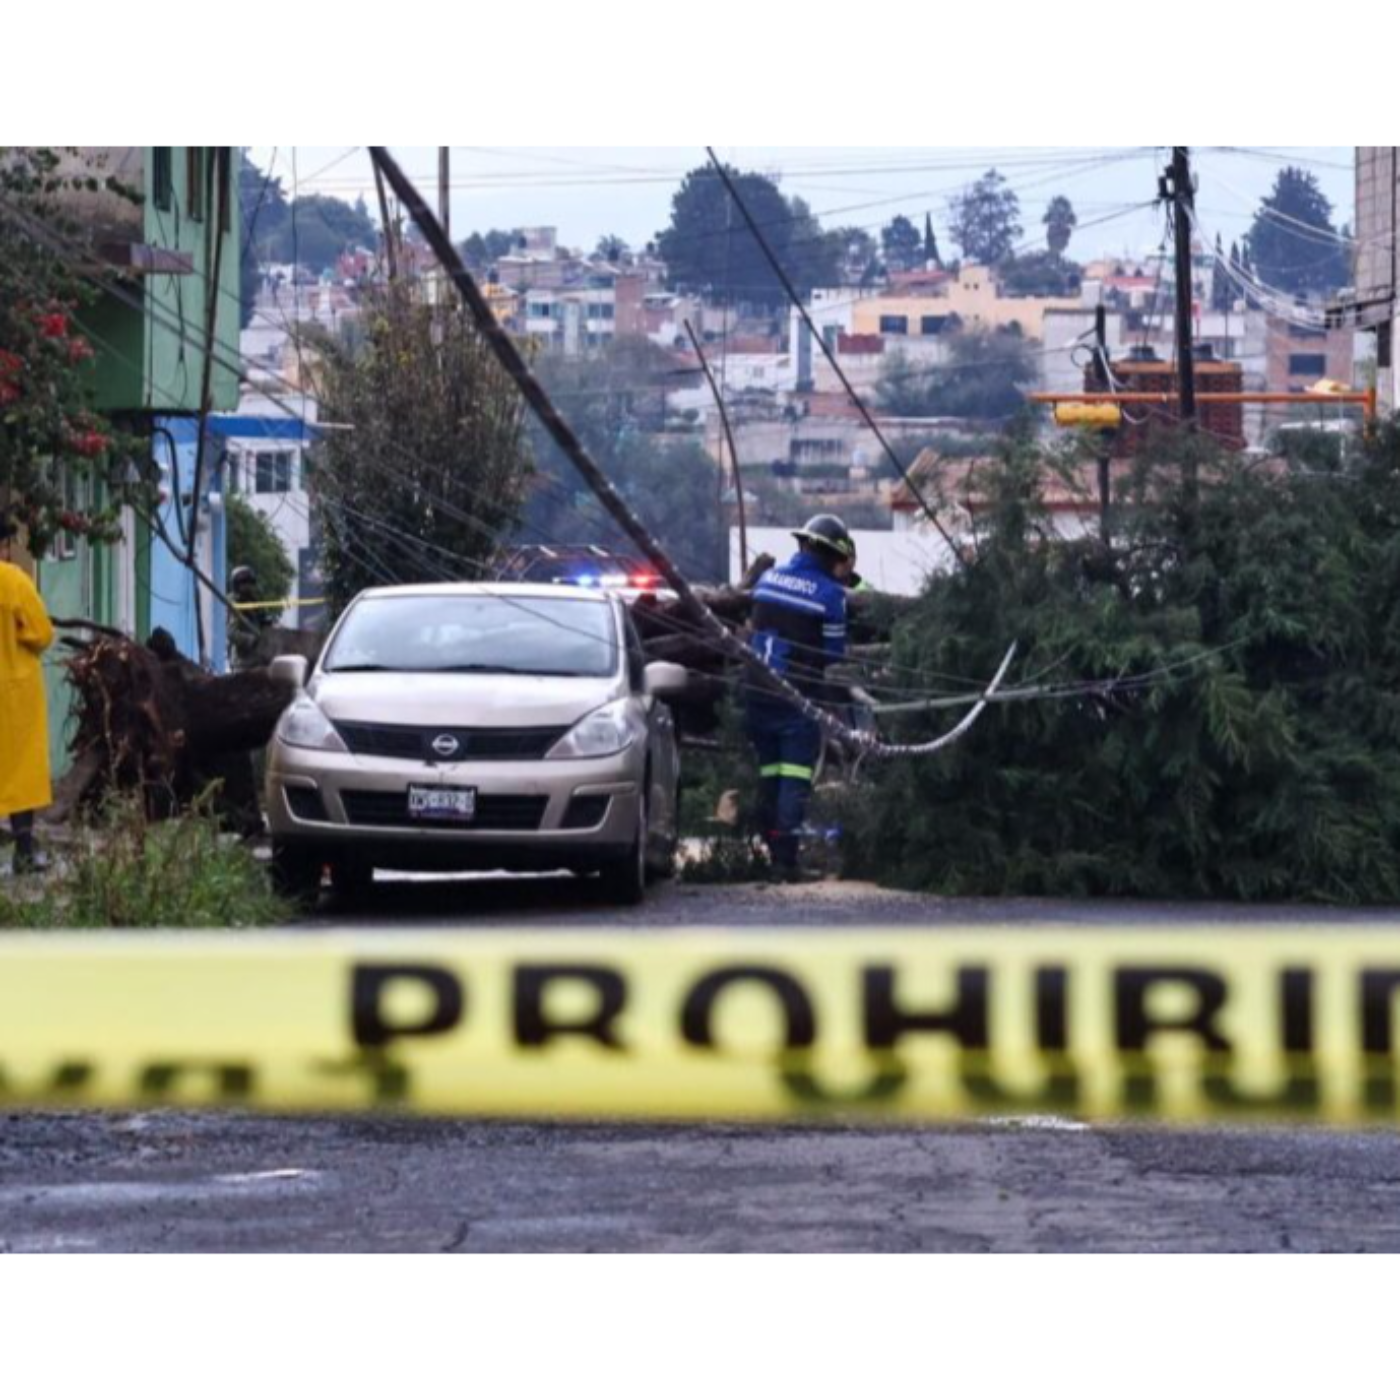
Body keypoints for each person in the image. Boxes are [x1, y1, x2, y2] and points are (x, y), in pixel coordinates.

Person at [745, 515, 857, 881]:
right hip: (797, 700)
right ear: (832, 555)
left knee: (769, 774)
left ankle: (770, 854)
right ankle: (785, 863)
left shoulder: (767, 579)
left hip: (756, 692)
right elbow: (833, 657)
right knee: (794, 778)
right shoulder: (830, 595)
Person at [0, 512, 56, 875]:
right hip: (14, 692)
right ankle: (23, 850)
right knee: (21, 769)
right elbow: (42, 633)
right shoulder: (14, 582)